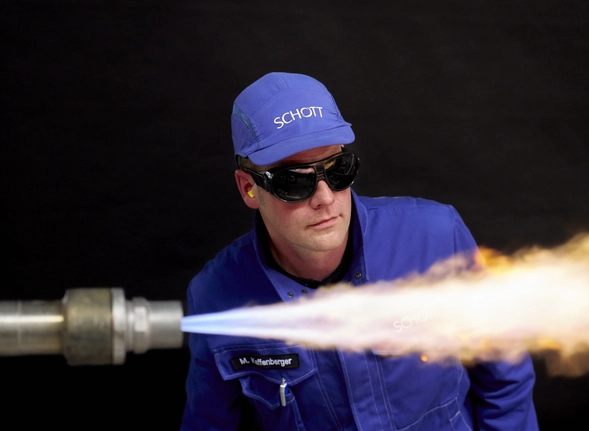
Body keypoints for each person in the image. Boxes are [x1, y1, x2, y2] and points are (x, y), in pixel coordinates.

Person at [181, 71, 540, 430]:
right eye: (294, 181)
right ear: (249, 189)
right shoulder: (216, 294)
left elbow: (505, 379)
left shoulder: (438, 238)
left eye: (338, 171)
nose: (325, 199)